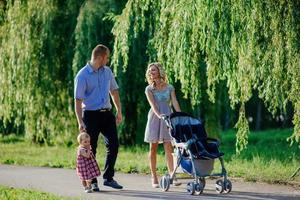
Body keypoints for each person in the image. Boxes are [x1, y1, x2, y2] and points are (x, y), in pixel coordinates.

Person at [74, 44, 123, 191]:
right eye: (107, 57)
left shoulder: (107, 72)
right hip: (90, 115)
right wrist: (80, 121)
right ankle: (93, 181)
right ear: (100, 57)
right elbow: (78, 100)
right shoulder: (82, 75)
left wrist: (119, 110)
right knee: (91, 149)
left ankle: (108, 177)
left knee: (114, 144)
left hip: (107, 114)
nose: (108, 60)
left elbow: (114, 91)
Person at [144, 62, 181, 188]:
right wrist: (160, 115)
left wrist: (179, 114)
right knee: (153, 147)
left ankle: (172, 175)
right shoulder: (149, 89)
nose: (151, 73)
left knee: (168, 147)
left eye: (153, 70)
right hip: (155, 118)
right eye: (150, 71)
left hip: (168, 117)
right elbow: (153, 105)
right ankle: (154, 176)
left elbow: (174, 102)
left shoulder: (169, 87)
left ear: (159, 71)